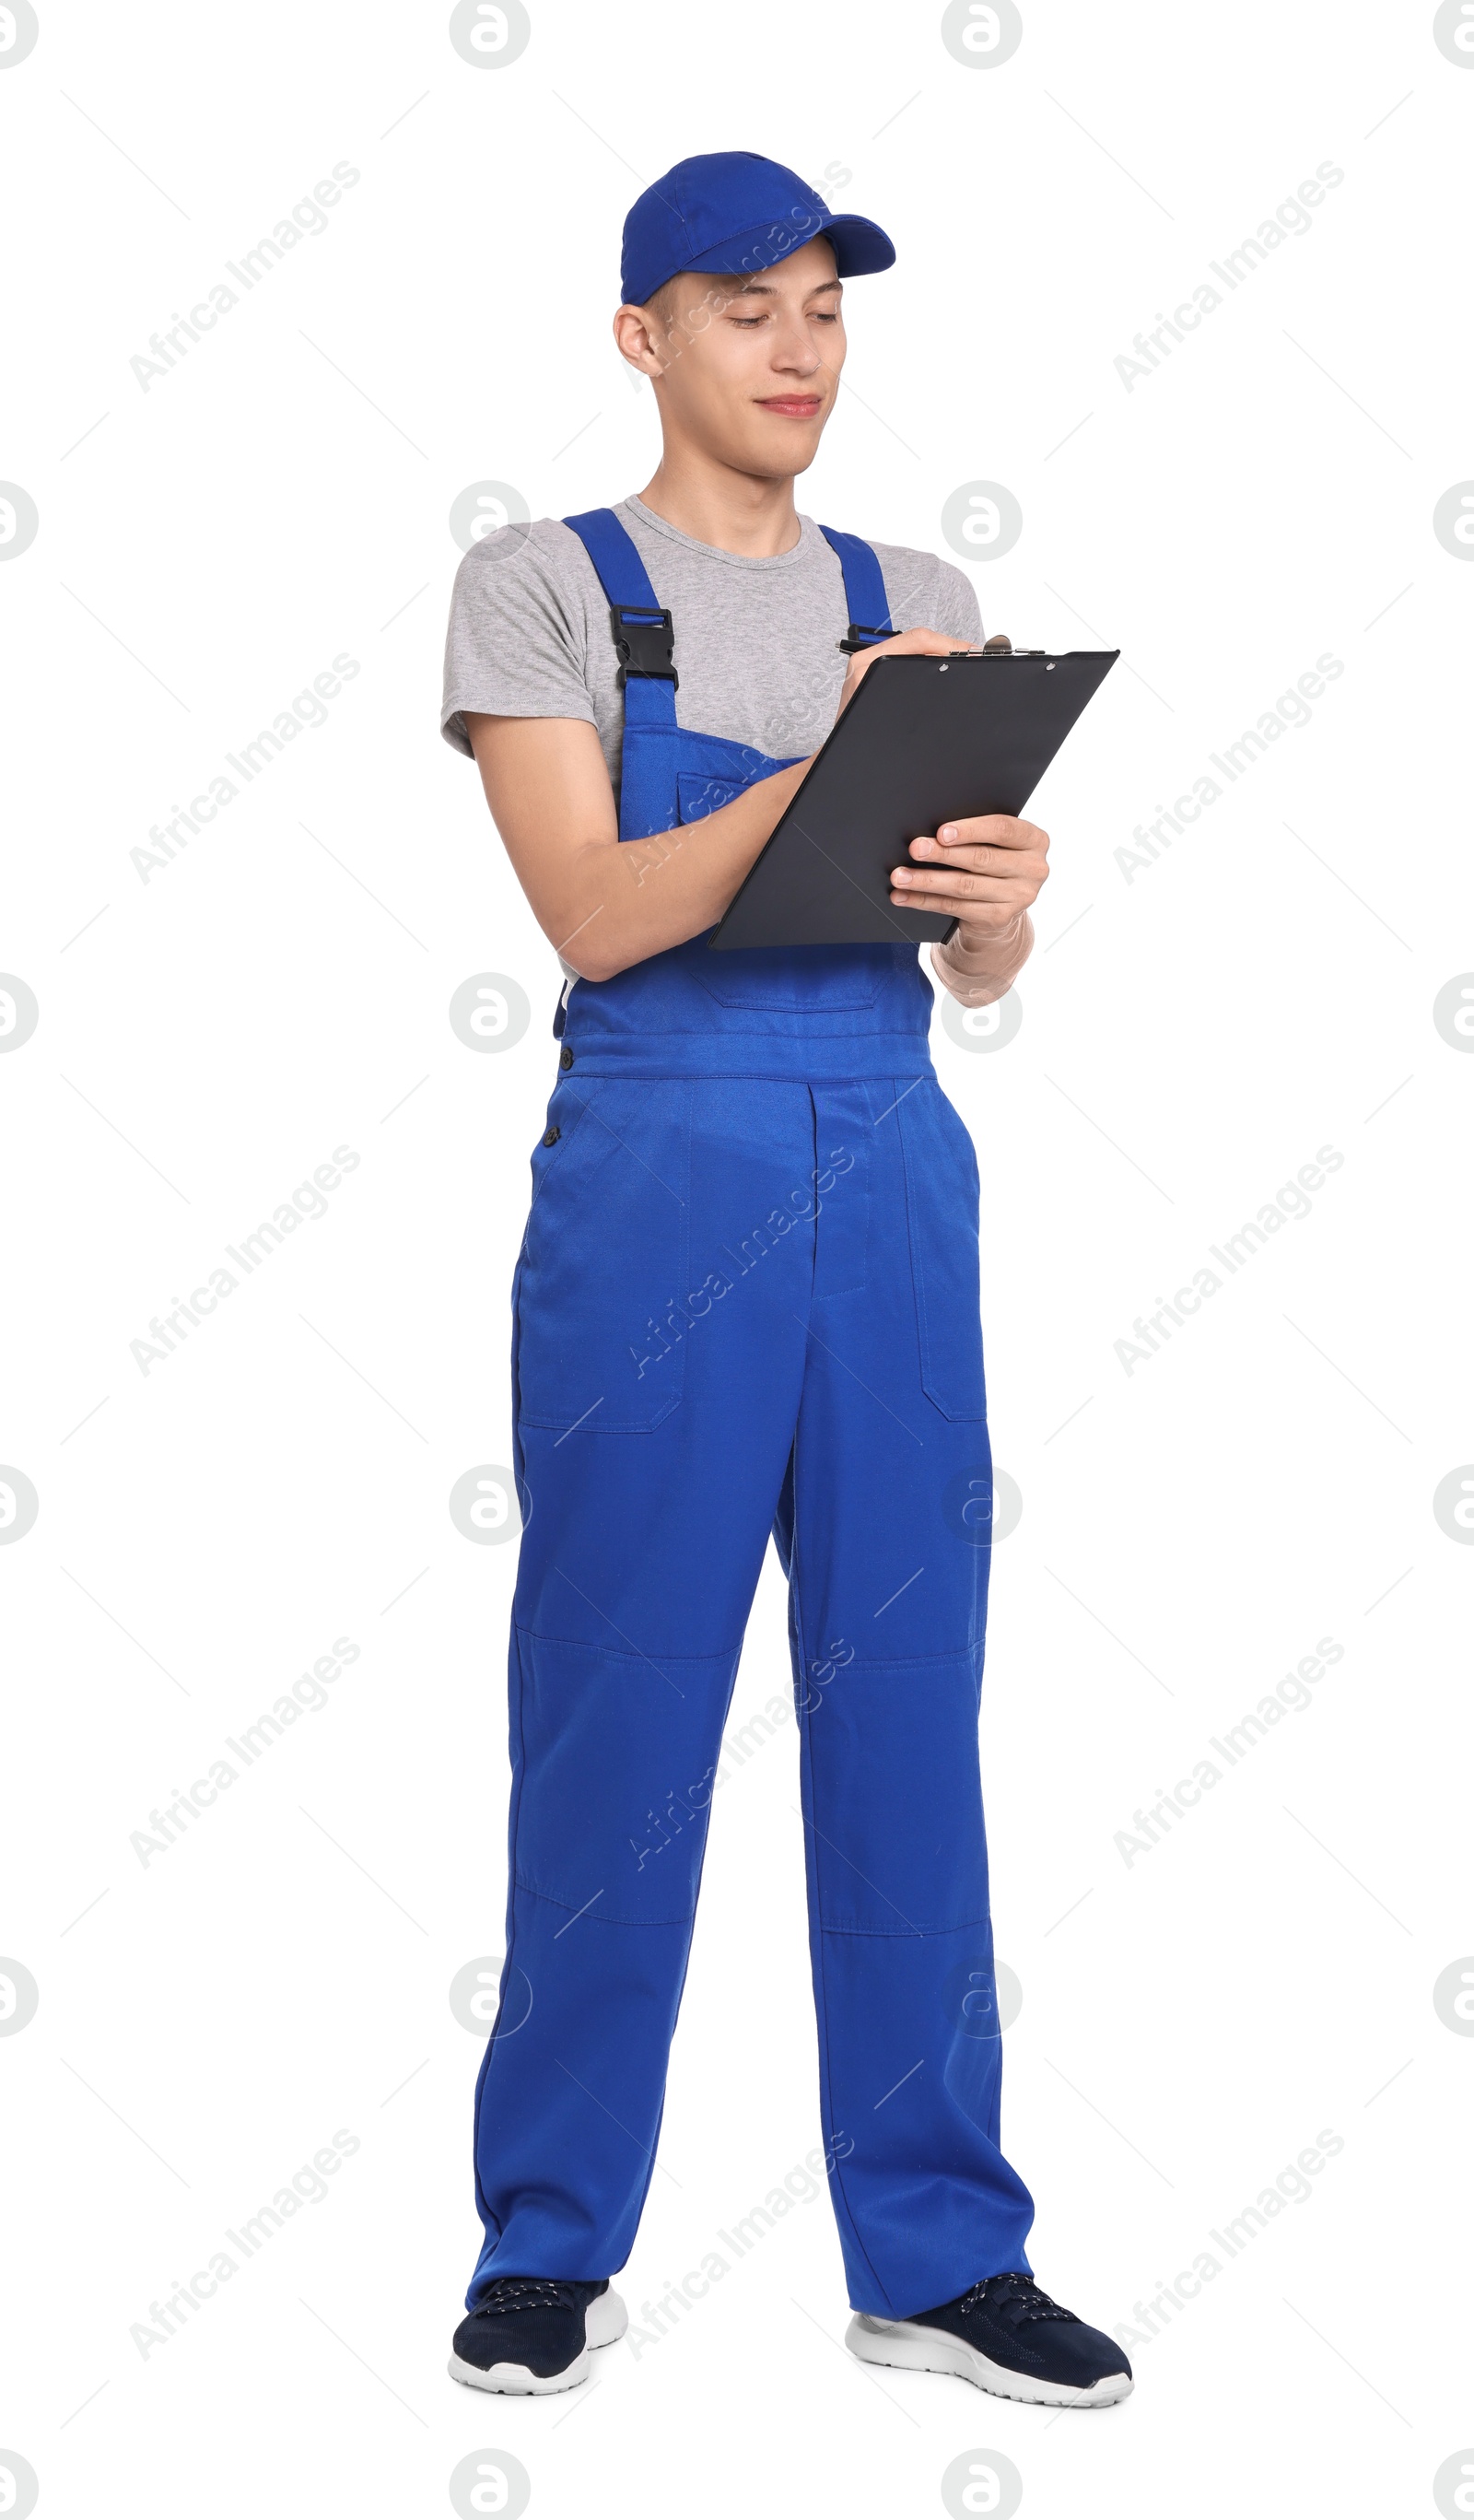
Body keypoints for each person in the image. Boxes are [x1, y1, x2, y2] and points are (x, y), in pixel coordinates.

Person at [439, 150, 1131, 2411]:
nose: (801, 345)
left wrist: (1002, 887)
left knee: (907, 1708)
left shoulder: (911, 586)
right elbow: (596, 915)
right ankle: (549, 2239)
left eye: (825, 306)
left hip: (891, 1170)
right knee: (617, 1708)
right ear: (642, 336)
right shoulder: (541, 589)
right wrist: (844, 750)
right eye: (746, 307)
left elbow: (970, 959)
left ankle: (933, 2253)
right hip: (658, 1164)